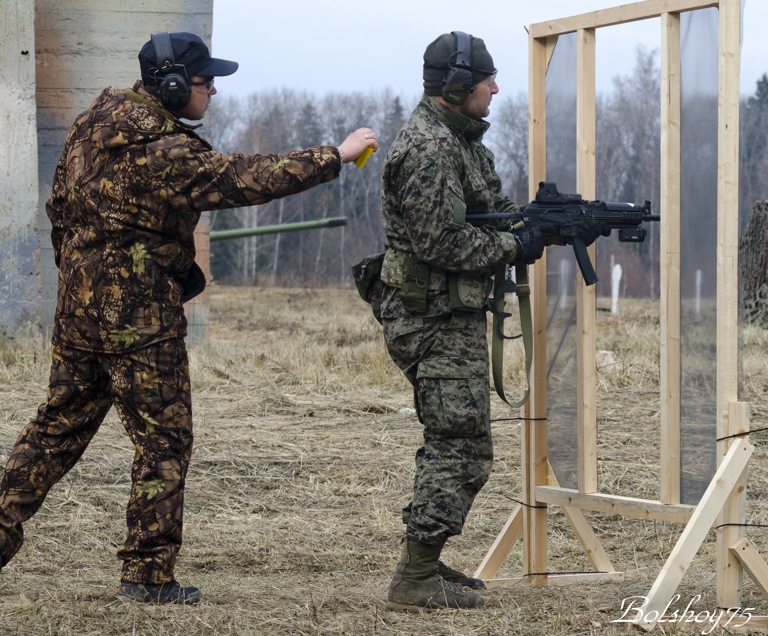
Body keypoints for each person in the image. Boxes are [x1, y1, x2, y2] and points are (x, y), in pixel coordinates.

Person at [0, 31, 378, 605]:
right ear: (173, 86)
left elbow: (59, 213)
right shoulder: (164, 149)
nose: (214, 93)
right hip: (141, 325)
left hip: (79, 314)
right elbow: (244, 178)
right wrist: (337, 155)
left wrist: (92, 280)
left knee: (56, 429)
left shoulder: (90, 127)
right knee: (163, 441)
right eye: (206, 83)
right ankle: (148, 577)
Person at [376, 31, 604, 610]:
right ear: (456, 87)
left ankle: (422, 563)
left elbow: (489, 221)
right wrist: (513, 245)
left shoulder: (464, 145)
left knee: (459, 440)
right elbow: (439, 241)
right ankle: (414, 581)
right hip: (429, 318)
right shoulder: (428, 150)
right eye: (486, 80)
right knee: (461, 444)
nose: (496, 89)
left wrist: (537, 230)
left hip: (449, 313)